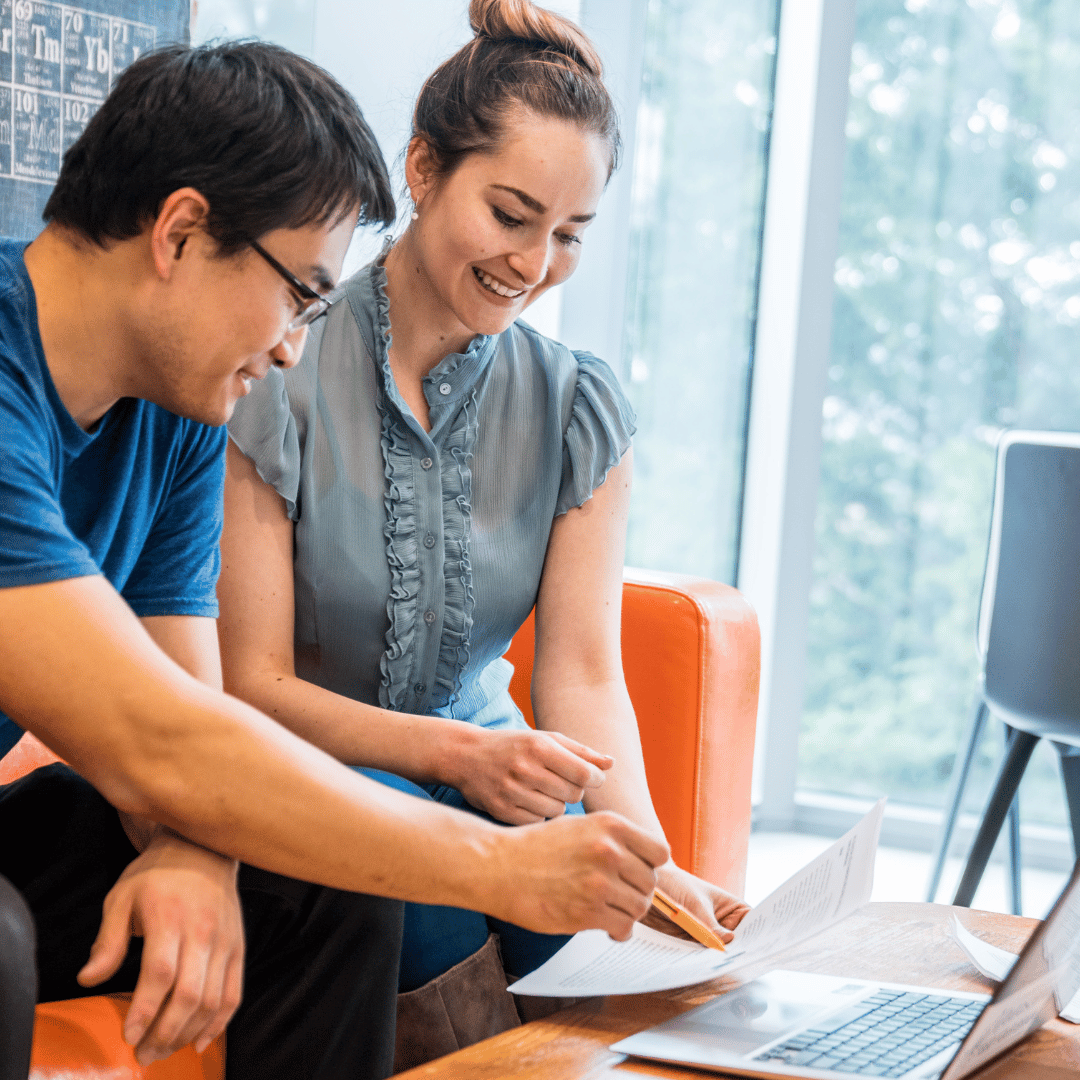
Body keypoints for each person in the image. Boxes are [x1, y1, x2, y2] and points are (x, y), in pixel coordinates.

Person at [0, 39, 671, 1080]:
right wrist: (501, 867)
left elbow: (192, 708)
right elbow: (152, 738)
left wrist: (194, 848)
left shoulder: (177, 410)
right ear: (181, 232)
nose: (293, 348)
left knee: (328, 878)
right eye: (300, 294)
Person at [221, 0, 751, 1066]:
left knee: (606, 923)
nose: (536, 261)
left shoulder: (577, 405)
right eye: (511, 215)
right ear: (423, 171)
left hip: (496, 780)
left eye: (570, 234)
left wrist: (647, 859)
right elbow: (252, 686)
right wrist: (462, 756)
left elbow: (584, 678)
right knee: (431, 904)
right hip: (314, 780)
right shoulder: (272, 368)